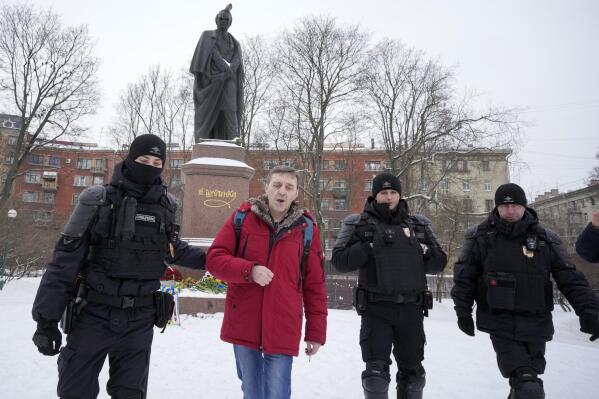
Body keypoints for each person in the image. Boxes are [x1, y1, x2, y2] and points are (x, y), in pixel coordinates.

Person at [31, 134, 206, 399]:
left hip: (140, 321)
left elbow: (172, 249)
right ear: (129, 159)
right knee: (75, 391)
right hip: (94, 314)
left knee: (130, 394)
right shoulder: (97, 200)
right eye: (143, 158)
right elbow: (64, 262)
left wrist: (216, 258)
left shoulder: (167, 206)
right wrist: (46, 321)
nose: (150, 165)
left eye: (157, 161)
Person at [451, 183, 599, 399]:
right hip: (499, 322)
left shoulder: (546, 239)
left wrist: (590, 311)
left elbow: (571, 279)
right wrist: (462, 311)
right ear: (497, 207)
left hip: (537, 323)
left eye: (516, 206)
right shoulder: (480, 237)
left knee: (525, 385)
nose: (510, 211)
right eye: (505, 206)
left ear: (524, 206)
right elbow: (464, 277)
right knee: (528, 386)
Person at [207, 165, 327, 399]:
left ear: (296, 194)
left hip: (283, 325)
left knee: (277, 394)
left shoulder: (307, 229)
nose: (282, 191)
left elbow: (315, 286)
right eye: (277, 185)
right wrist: (248, 271)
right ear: (267, 188)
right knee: (252, 393)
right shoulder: (242, 218)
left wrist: (315, 332)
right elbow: (214, 259)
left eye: (289, 187)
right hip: (245, 322)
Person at [332, 172, 447, 399]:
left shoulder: (418, 225)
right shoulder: (358, 224)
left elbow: (439, 263)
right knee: (375, 378)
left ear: (400, 195)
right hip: (376, 310)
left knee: (414, 378)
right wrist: (368, 247)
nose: (389, 197)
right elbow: (340, 261)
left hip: (411, 310)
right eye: (383, 193)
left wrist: (422, 250)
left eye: (393, 192)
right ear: (375, 196)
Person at [189, 3, 244, 142]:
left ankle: (234, 138)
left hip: (229, 81)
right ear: (216, 19)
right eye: (220, 18)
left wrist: (230, 71)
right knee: (209, 110)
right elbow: (212, 53)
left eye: (226, 19)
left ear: (230, 22)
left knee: (230, 109)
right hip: (212, 81)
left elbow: (237, 58)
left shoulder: (235, 42)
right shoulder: (207, 36)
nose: (223, 21)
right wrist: (226, 69)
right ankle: (203, 139)